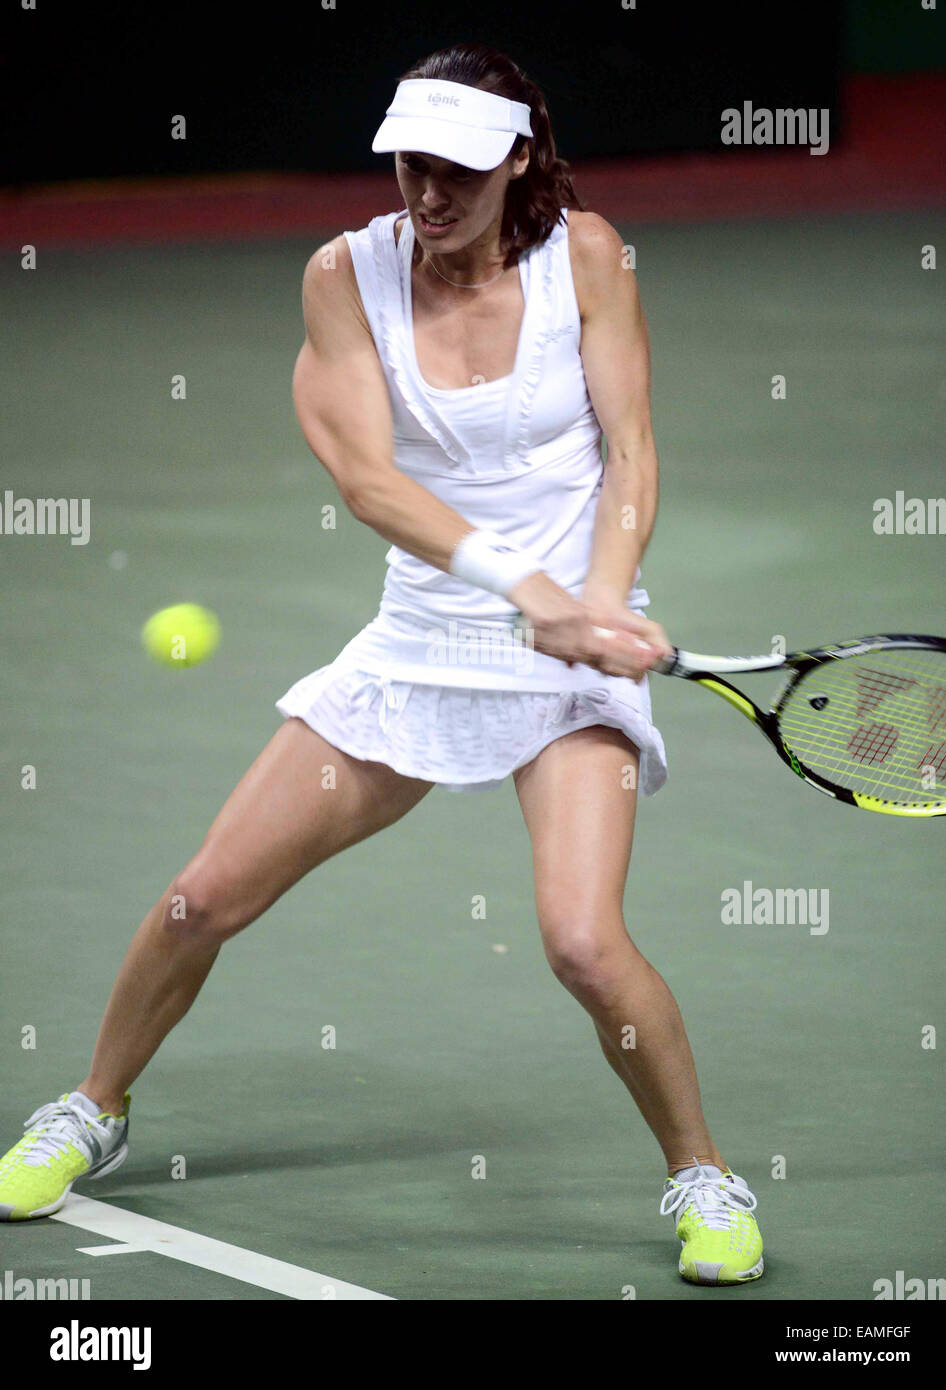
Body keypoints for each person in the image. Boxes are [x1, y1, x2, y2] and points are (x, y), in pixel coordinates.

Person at [0, 43, 763, 1288]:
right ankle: (92, 1106)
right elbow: (370, 481)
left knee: (580, 940)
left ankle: (704, 1173)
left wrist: (599, 601)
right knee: (203, 898)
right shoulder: (343, 279)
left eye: (457, 167)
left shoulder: (589, 258)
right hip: (421, 645)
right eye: (409, 163)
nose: (427, 192)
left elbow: (630, 451)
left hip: (571, 651)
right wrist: (526, 592)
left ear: (520, 155)